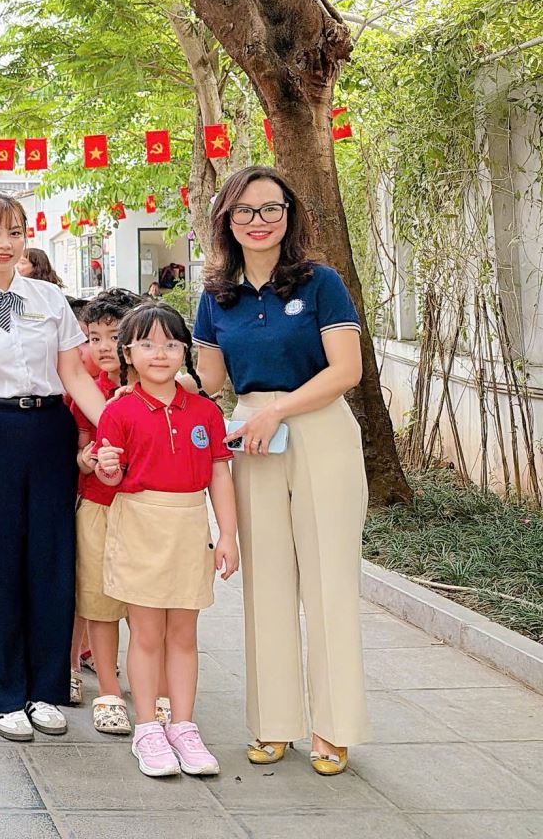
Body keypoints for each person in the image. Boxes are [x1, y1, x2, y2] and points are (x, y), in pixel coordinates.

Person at [191, 165, 367, 776]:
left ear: (289, 216)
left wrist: (279, 410)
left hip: (319, 429)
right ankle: (273, 722)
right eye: (244, 211)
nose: (258, 221)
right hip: (251, 436)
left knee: (328, 581)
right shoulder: (216, 296)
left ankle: (333, 727)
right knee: (264, 582)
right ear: (227, 221)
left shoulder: (320, 283)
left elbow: (346, 370)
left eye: (271, 208)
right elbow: (208, 380)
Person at [0, 191, 107, 744]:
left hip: (49, 428)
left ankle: (46, 689)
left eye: (14, 232)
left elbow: (74, 374)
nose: (4, 243)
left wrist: (116, 424)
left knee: (52, 559)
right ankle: (4, 694)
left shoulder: (50, 298)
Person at [94, 301, 239, 778]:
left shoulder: (205, 412)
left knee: (184, 633)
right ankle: (147, 729)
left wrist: (227, 535)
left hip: (189, 526)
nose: (160, 354)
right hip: (139, 523)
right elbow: (112, 477)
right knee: (146, 632)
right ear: (128, 354)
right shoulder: (118, 411)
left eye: (172, 344)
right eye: (147, 344)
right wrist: (106, 467)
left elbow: (220, 474)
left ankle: (183, 726)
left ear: (185, 353)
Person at [68, 288, 154, 737]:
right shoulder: (87, 390)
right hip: (98, 506)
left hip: (147, 510)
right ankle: (106, 688)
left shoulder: (161, 388)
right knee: (96, 600)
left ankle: (153, 689)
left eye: (114, 335)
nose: (104, 347)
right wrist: (86, 460)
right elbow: (81, 449)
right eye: (93, 337)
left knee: (147, 605)